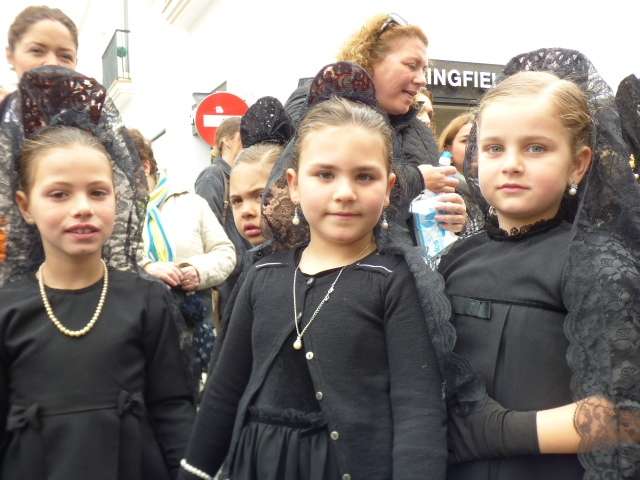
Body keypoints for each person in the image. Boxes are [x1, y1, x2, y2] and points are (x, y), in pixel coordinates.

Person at [179, 96, 447, 480]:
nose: (345, 192)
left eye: (364, 177)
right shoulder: (263, 274)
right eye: (324, 175)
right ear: (293, 185)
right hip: (258, 465)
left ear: (389, 187)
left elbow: (417, 409)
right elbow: (224, 389)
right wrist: (194, 472)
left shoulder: (393, 282)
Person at [440, 50, 640, 480]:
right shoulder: (457, 257)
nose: (511, 164)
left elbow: (626, 418)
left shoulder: (598, 264)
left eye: (536, 148)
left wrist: (498, 431)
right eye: (495, 148)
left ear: (578, 164)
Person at [0, 124, 195, 479]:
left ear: (116, 199)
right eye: (59, 194)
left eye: (97, 192)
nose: (82, 208)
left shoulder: (146, 300)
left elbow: (172, 407)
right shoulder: (7, 309)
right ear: (25, 206)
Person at [277, 14, 466, 243]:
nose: (422, 79)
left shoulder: (420, 133)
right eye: (411, 66)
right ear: (369, 61)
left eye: (424, 69)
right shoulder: (325, 114)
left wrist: (454, 219)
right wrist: (417, 179)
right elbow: (280, 207)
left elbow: (431, 215)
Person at [132, 128, 236, 393]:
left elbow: (225, 252)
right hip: (140, 330)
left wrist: (197, 271)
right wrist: (147, 268)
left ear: (145, 166)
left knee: (193, 396)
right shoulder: (115, 212)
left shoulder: (191, 203)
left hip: (194, 325)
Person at [2, 5, 78, 114]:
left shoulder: (94, 117)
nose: (52, 64)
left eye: (65, 56)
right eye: (37, 51)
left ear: (75, 63)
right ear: (10, 56)